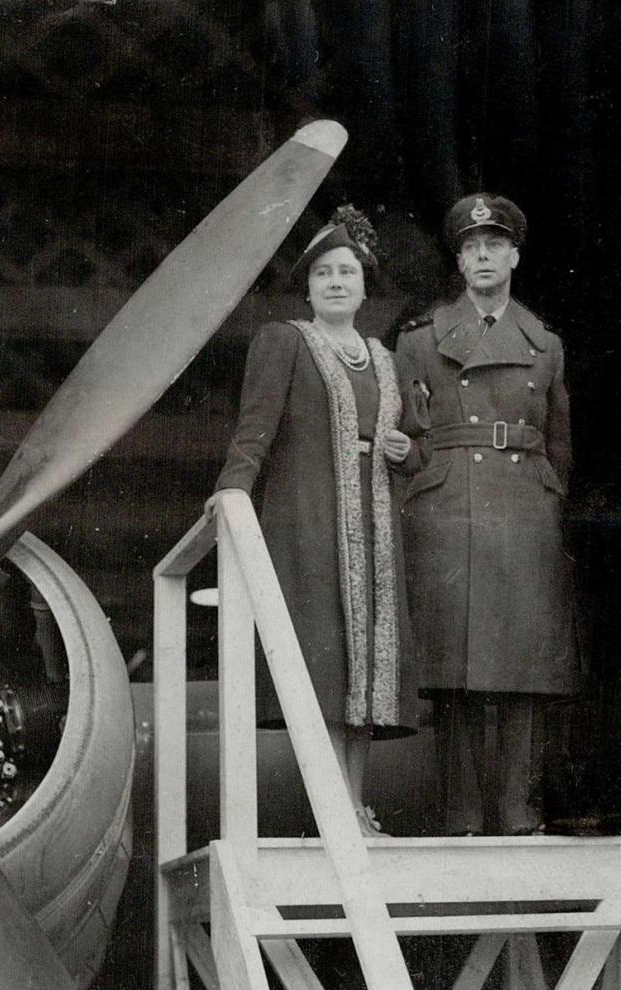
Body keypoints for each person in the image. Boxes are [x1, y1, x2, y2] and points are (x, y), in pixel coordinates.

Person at [206, 205, 416, 837]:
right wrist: (232, 491)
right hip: (310, 520)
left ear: (362, 284)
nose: (335, 283)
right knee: (324, 663)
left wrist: (409, 451)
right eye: (323, 273)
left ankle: (352, 806)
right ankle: (332, 809)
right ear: (307, 286)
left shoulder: (384, 356)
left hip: (376, 525)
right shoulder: (285, 340)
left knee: (366, 675)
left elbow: (417, 441)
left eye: (346, 272)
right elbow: (255, 429)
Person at [395, 192, 582, 836]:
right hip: (448, 504)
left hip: (523, 499)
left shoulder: (546, 344)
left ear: (514, 256)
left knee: (522, 666)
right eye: (471, 247)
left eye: (494, 246)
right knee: (456, 669)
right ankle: (463, 811)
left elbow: (560, 438)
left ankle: (518, 807)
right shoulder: (420, 340)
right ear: (459, 259)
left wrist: (548, 493)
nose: (482, 256)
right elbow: (407, 432)